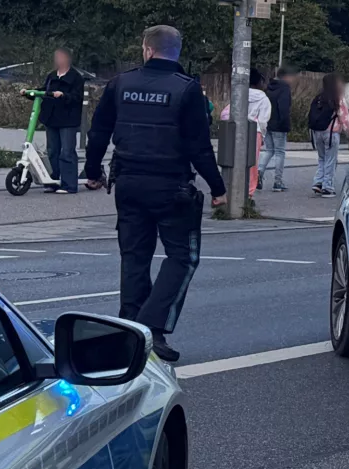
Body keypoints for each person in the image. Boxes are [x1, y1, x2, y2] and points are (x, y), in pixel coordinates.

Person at [83, 25, 227, 363]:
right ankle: (152, 325)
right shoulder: (187, 89)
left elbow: (99, 130)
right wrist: (218, 187)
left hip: (128, 184)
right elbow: (198, 146)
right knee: (183, 257)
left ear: (147, 49)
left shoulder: (120, 84)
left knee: (134, 256)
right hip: (171, 186)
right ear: (177, 52)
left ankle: (131, 327)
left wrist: (92, 171)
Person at [33, 47, 84, 194]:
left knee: (67, 152)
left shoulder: (76, 77)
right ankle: (53, 181)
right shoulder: (52, 76)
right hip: (51, 118)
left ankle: (69, 185)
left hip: (68, 119)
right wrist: (31, 92)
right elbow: (45, 90)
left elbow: (77, 97)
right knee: (52, 151)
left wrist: (63, 95)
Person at [308, 73, 348, 198]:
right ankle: (327, 187)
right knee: (331, 160)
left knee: (322, 158)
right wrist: (348, 132)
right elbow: (344, 117)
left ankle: (318, 182)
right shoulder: (337, 98)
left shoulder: (318, 98)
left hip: (317, 132)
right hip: (331, 133)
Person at [258, 66, 297, 192]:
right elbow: (284, 108)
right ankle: (277, 182)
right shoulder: (284, 88)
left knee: (269, 150)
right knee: (280, 152)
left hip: (267, 123)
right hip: (279, 125)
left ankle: (259, 171)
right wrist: (285, 124)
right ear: (286, 76)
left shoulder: (268, 87)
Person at [246, 69, 272, 200]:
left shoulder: (239, 93)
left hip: (238, 130)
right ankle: (249, 191)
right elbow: (263, 120)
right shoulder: (263, 98)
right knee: (252, 162)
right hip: (255, 131)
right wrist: (263, 135)